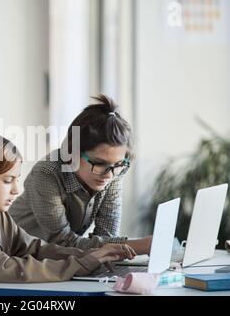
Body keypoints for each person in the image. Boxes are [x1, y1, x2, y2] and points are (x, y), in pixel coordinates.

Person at [0, 131, 136, 296]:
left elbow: (35, 249)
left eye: (17, 179)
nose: (16, 189)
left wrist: (90, 256)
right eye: (8, 181)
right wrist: (80, 265)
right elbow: (4, 268)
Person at [9, 95, 152, 255]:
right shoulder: (46, 174)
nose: (109, 175)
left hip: (57, 261)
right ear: (71, 153)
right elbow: (63, 242)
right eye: (99, 163)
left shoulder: (114, 171)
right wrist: (139, 246)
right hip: (16, 256)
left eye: (117, 165)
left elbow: (107, 236)